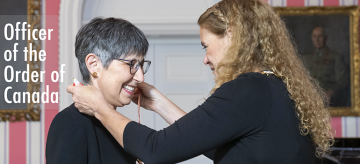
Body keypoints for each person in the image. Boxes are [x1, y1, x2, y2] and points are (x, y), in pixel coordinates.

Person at [67, 0, 334, 163]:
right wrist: (160, 104)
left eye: (206, 45)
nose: (205, 59)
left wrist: (99, 107)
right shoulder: (272, 87)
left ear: (231, 36)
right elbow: (216, 146)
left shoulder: (248, 89)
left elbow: (156, 150)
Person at [46, 17, 150, 164]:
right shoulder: (70, 122)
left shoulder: (118, 126)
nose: (141, 77)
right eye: (132, 64)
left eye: (141, 65)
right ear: (93, 64)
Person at [303, 26, 349, 106]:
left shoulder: (336, 57)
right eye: (314, 36)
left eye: (320, 36)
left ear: (326, 38)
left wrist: (331, 91)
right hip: (308, 97)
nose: (317, 40)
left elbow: (343, 81)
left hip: (328, 98)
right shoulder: (305, 58)